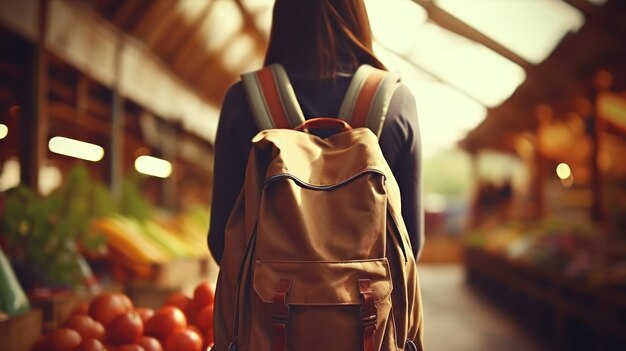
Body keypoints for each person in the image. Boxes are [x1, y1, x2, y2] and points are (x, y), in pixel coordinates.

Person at [208, 0, 424, 264]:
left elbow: (222, 241)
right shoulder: (396, 102)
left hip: (268, 302)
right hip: (370, 302)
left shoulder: (244, 100)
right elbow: (410, 242)